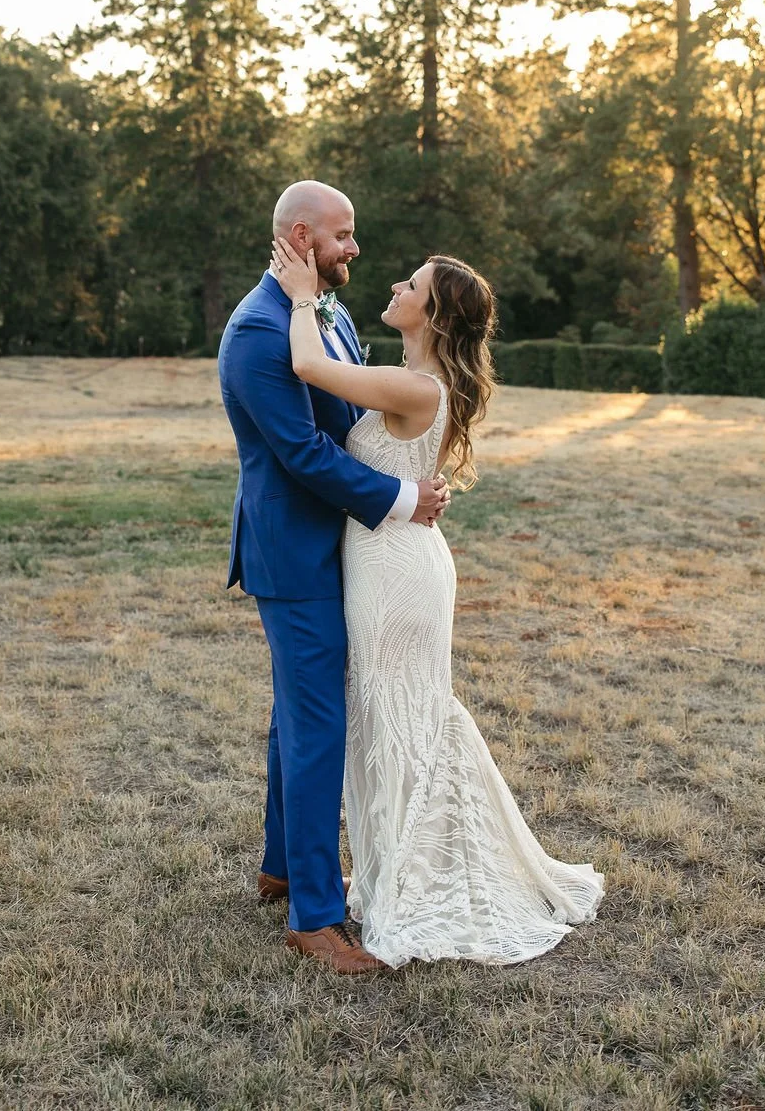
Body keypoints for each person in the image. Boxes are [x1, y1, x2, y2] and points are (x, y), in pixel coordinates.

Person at [265, 232, 605, 968]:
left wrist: (299, 299)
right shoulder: (412, 381)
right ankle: (399, 870)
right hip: (394, 560)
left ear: (435, 315)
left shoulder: (419, 389)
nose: (396, 287)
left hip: (395, 574)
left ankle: (419, 879)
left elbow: (304, 365)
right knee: (395, 722)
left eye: (411, 285)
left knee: (399, 723)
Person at [217, 180, 450, 976]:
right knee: (318, 727)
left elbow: (351, 421)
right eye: (344, 235)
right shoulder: (256, 331)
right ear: (304, 233)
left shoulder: (325, 309)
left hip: (335, 549)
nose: (355, 248)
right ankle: (316, 917)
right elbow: (305, 456)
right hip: (295, 553)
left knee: (298, 718)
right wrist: (401, 497)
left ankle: (282, 866)